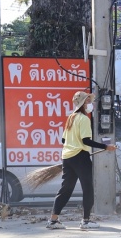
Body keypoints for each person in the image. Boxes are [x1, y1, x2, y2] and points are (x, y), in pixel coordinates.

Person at [46, 92, 116, 230]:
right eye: (88, 101)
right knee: (88, 188)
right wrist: (106, 147)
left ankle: (53, 221)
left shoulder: (71, 118)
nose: (91, 103)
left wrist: (72, 147)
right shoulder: (84, 119)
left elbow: (63, 140)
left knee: (65, 189)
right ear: (83, 104)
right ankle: (86, 221)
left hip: (67, 157)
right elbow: (86, 141)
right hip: (80, 157)